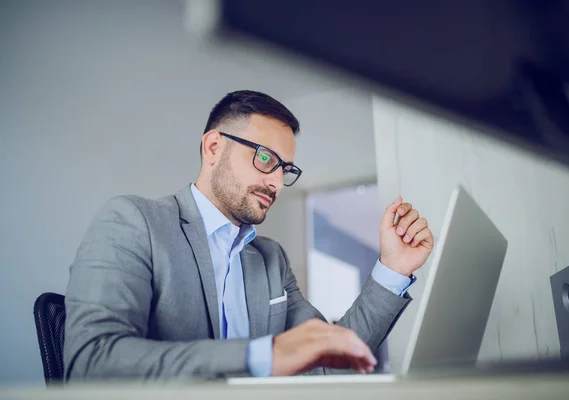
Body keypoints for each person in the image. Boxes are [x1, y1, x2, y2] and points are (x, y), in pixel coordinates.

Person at [64, 90, 434, 380]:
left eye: (285, 168)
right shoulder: (134, 221)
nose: (276, 181)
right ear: (213, 147)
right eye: (264, 158)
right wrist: (263, 356)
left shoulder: (271, 260)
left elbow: (332, 358)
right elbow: (92, 361)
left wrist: (393, 268)